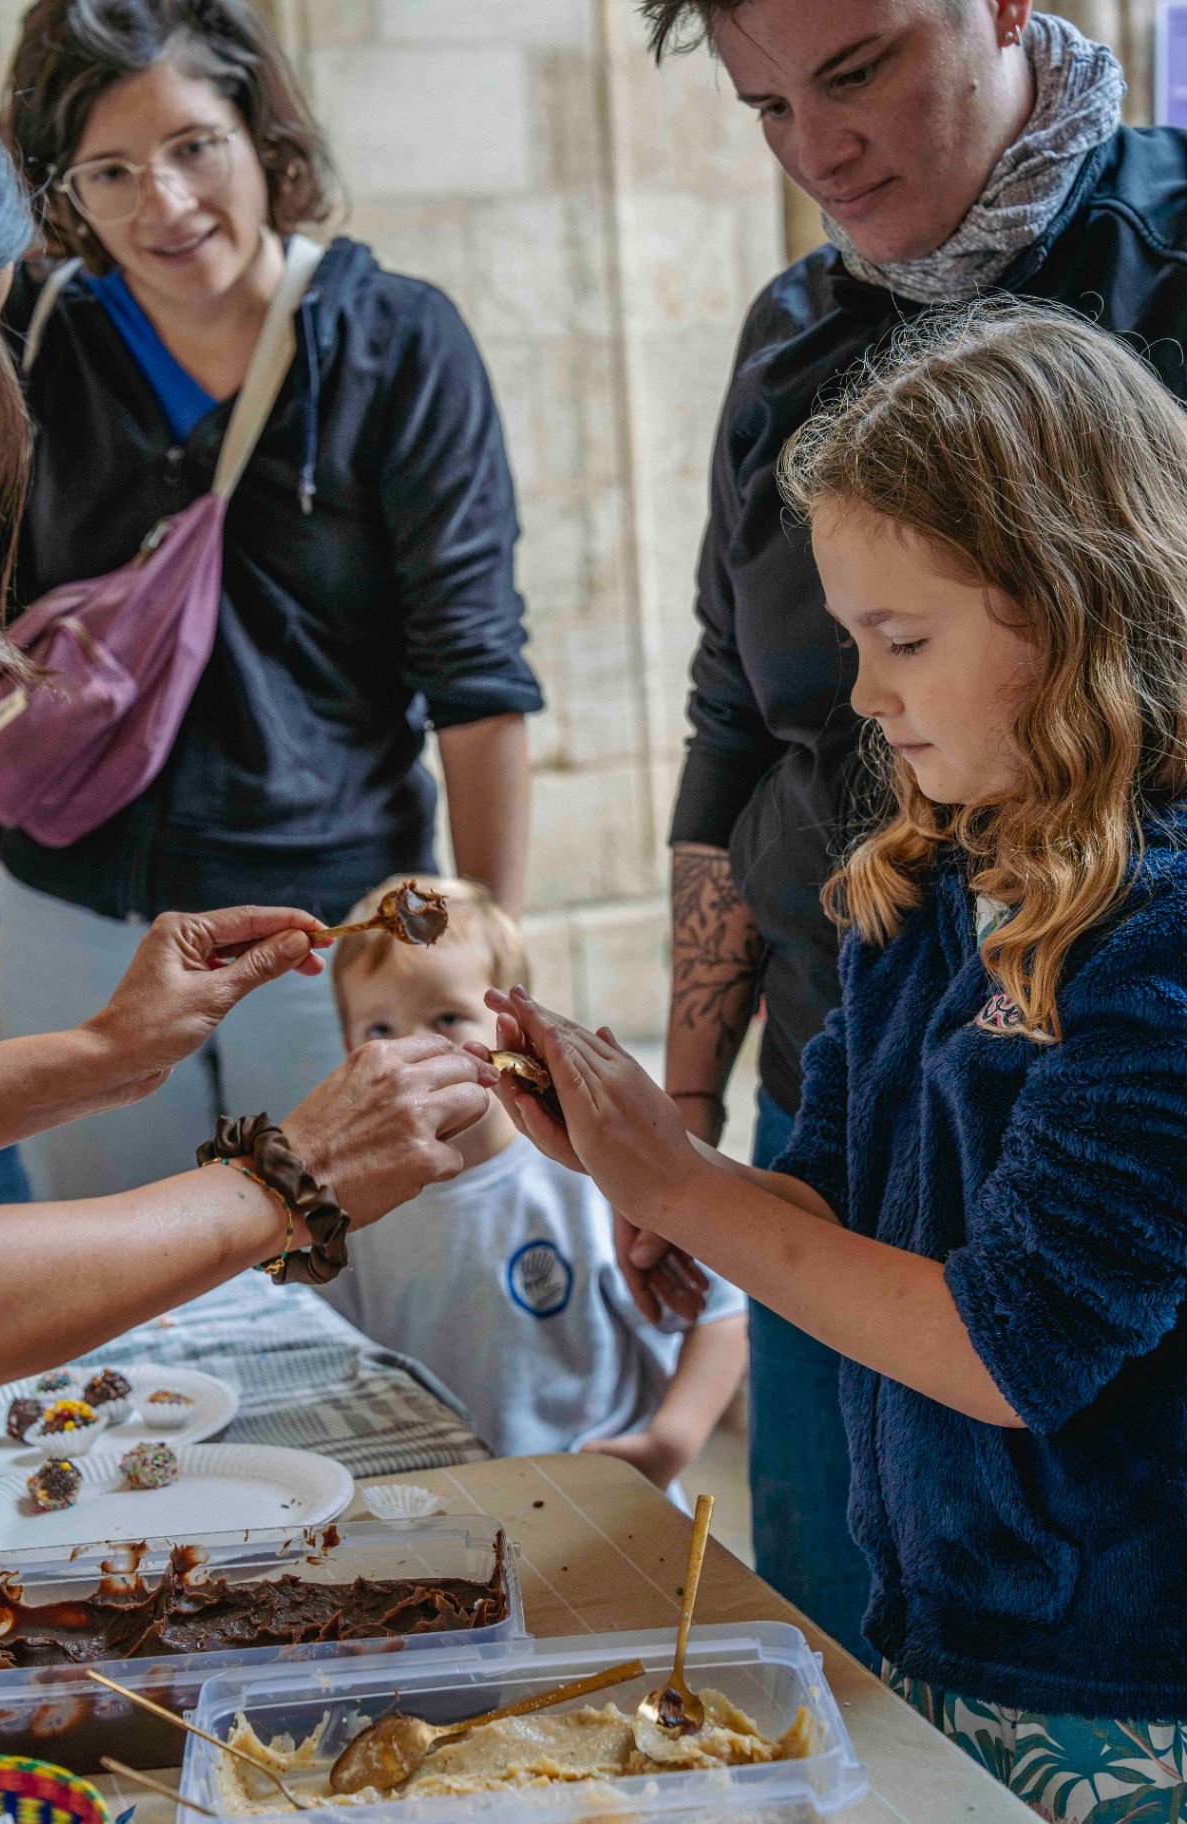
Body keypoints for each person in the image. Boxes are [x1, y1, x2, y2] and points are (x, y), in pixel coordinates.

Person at [487, 301, 1187, 1819]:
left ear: (1071, 604)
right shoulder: (925, 881)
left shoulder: (1161, 934)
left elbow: (1009, 1351)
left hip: (1128, 1685)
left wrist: (680, 1184)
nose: (865, 696)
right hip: (941, 1622)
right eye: (853, 642)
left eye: (904, 642)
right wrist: (652, 1170)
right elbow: (829, 1218)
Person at [638, 0, 1187, 1659]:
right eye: (764, 108)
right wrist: (678, 1113)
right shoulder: (787, 338)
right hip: (861, 1070)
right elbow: (733, 723)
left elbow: (1010, 1341)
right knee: (865, 1627)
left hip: (1094, 1091)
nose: (815, 149)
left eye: (856, 70)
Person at [0, 93, 497, 1392]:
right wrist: (280, 1185)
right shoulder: (64, 342)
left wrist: (100, 1058)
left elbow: (479, 665)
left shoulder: (390, 337)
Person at [322, 875, 747, 1494]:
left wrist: (669, 1442)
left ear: (510, 1031)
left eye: (446, 1017)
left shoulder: (590, 1173)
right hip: (438, 1508)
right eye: (379, 1030)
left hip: (602, 1504)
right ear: (349, 1050)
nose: (413, 1050)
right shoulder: (354, 1202)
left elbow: (722, 1311)